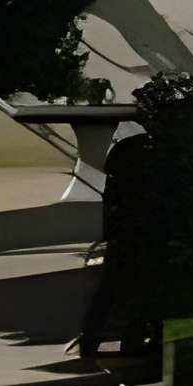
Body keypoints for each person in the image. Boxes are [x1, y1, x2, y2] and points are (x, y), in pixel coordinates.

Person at [72, 126, 158, 371]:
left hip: (125, 234)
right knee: (141, 289)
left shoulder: (127, 152)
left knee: (111, 290)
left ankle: (92, 340)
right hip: (138, 233)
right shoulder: (144, 154)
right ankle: (129, 339)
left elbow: (111, 201)